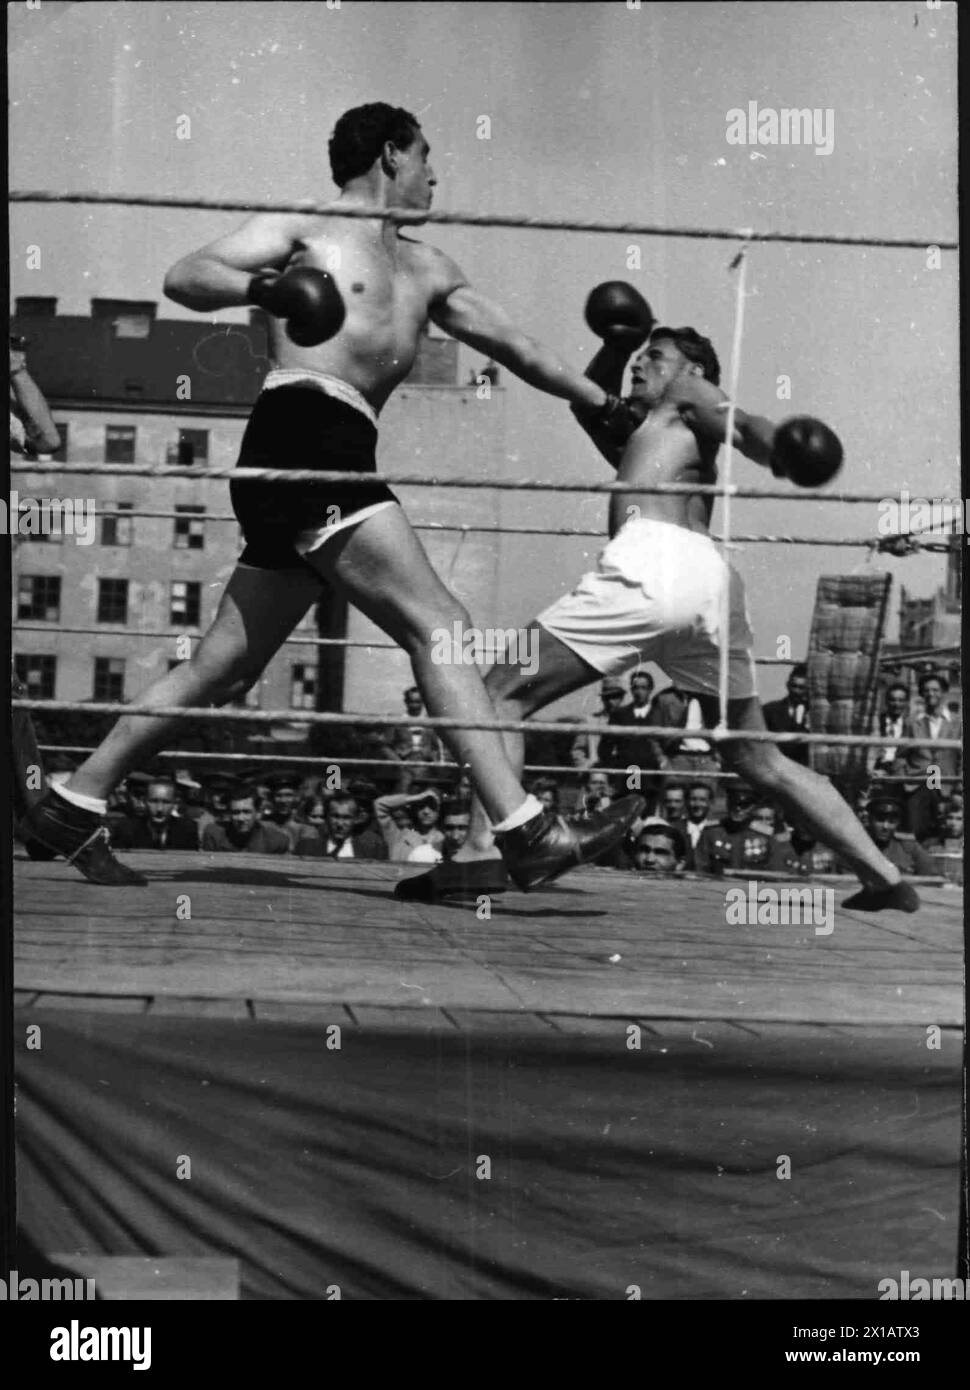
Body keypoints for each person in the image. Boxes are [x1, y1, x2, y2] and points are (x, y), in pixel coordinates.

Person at [22, 102, 640, 894]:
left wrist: (601, 400)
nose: (437, 174)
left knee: (224, 668)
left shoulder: (428, 268)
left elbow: (518, 347)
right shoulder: (306, 227)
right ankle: (525, 831)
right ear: (391, 154)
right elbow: (186, 276)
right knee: (441, 625)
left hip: (335, 444)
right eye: (427, 156)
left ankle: (73, 802)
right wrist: (274, 289)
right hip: (301, 431)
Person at [399, 290, 919, 911]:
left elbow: (741, 422)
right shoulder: (647, 435)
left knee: (496, 693)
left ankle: (483, 853)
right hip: (710, 589)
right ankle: (884, 877)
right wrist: (616, 345)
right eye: (637, 357)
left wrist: (777, 445)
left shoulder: (686, 400)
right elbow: (585, 399)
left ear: (690, 371)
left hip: (655, 569)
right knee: (756, 757)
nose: (640, 365)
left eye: (656, 356)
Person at [897, 672, 961, 840]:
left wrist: (959, 789)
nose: (930, 694)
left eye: (935, 690)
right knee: (916, 833)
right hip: (917, 785)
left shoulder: (957, 723)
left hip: (945, 785)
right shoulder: (912, 723)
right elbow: (901, 755)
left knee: (944, 834)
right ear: (921, 694)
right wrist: (904, 780)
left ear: (944, 693)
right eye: (926, 690)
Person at [692, 784, 774, 875]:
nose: (737, 808)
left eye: (744, 805)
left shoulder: (766, 835)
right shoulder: (711, 832)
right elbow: (700, 867)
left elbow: (775, 870)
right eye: (733, 803)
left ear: (754, 807)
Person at [110, 777, 200, 850]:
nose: (159, 809)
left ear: (175, 803)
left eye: (166, 802)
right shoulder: (126, 830)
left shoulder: (188, 831)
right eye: (154, 801)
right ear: (145, 801)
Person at [295, 794, 387, 860]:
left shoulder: (371, 851)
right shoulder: (306, 847)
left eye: (346, 818)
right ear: (326, 817)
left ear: (356, 819)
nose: (340, 824)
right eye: (335, 816)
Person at [863, 795, 936, 876]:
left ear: (898, 823)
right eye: (880, 820)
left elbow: (928, 876)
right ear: (870, 821)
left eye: (891, 822)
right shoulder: (858, 846)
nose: (885, 826)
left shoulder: (908, 847)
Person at [200, 789, 290, 854]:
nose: (241, 818)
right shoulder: (214, 834)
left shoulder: (276, 841)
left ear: (258, 813)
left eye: (247, 812)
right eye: (235, 812)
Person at [379, 686, 446, 765]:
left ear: (423, 702)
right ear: (406, 701)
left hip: (426, 764)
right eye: (411, 702)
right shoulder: (397, 721)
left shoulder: (431, 722)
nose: (414, 705)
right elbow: (385, 745)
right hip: (403, 763)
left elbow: (438, 745)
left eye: (418, 702)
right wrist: (397, 761)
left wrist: (434, 759)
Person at [761, 664, 811, 766]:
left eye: (801, 688)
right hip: (776, 767)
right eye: (794, 686)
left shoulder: (814, 713)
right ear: (787, 685)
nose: (796, 691)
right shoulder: (770, 710)